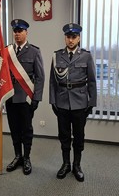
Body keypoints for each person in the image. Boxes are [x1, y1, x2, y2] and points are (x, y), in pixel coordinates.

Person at [49, 23, 97, 182]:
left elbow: (91, 81)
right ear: (65, 37)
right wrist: (52, 101)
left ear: (79, 38)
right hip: (62, 102)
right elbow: (52, 82)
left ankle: (77, 165)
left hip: (80, 103)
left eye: (74, 37)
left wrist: (91, 103)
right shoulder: (57, 55)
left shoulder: (86, 56)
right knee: (63, 135)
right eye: (68, 37)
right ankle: (65, 164)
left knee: (78, 136)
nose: (70, 40)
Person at [5, 19, 45, 175]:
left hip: (26, 97)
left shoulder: (34, 51)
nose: (17, 34)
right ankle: (17, 156)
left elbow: (40, 77)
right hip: (10, 97)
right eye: (15, 31)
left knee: (26, 129)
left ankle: (27, 158)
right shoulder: (7, 51)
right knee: (14, 129)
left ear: (26, 32)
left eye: (20, 31)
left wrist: (37, 98)